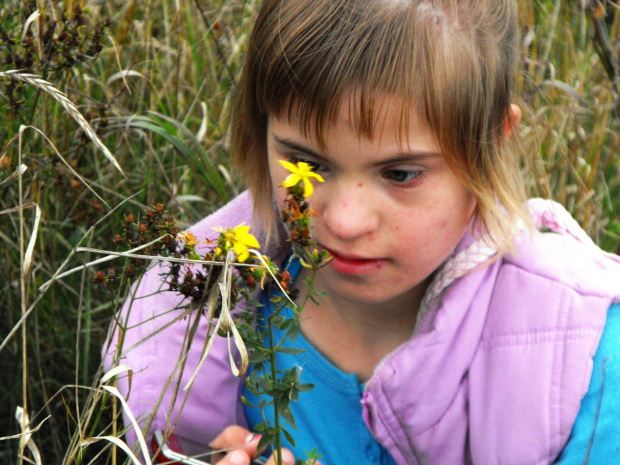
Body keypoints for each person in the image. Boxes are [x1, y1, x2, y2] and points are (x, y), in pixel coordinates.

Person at [103, 0, 620, 464]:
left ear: (492, 143)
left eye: (401, 174)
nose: (345, 222)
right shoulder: (185, 322)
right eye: (304, 161)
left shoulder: (585, 354)